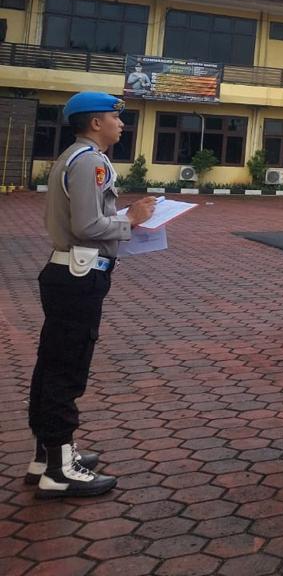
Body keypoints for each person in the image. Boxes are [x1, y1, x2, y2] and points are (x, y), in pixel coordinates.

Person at [26, 92, 156, 498]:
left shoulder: (77, 157)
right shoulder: (90, 161)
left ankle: (47, 456)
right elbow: (86, 226)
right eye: (115, 118)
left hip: (69, 272)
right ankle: (60, 470)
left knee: (53, 364)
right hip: (78, 275)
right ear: (96, 123)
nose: (122, 124)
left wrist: (121, 219)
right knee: (67, 369)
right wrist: (131, 220)